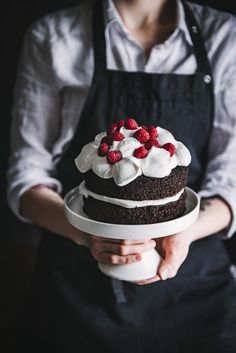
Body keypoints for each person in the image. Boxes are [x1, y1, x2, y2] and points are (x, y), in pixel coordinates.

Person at [7, 0, 236, 352]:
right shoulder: (52, 37)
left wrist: (186, 232)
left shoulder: (225, 37)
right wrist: (82, 231)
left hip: (196, 291)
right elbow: (26, 174)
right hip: (76, 290)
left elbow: (232, 175)